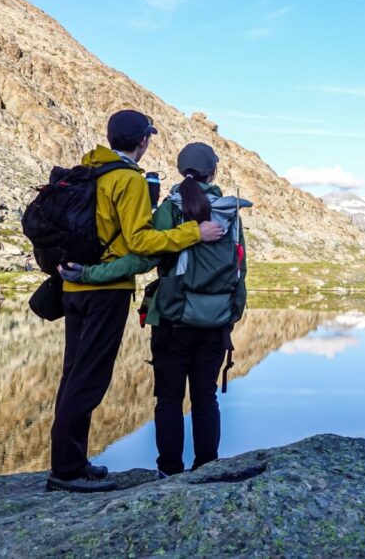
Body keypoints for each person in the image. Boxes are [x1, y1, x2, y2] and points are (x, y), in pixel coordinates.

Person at [46, 111, 226, 494]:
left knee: (74, 375)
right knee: (89, 379)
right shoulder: (126, 180)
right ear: (142, 141)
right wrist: (193, 231)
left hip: (74, 290)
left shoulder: (92, 169)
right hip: (104, 293)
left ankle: (73, 461)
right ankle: (66, 469)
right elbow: (140, 244)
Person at [71, 142, 249, 477]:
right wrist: (230, 316)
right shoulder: (229, 212)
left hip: (172, 321)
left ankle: (169, 470)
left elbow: (142, 258)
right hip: (215, 324)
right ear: (215, 171)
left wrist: (88, 273)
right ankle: (206, 467)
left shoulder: (171, 209)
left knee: (168, 400)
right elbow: (240, 272)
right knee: (205, 398)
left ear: (183, 170)